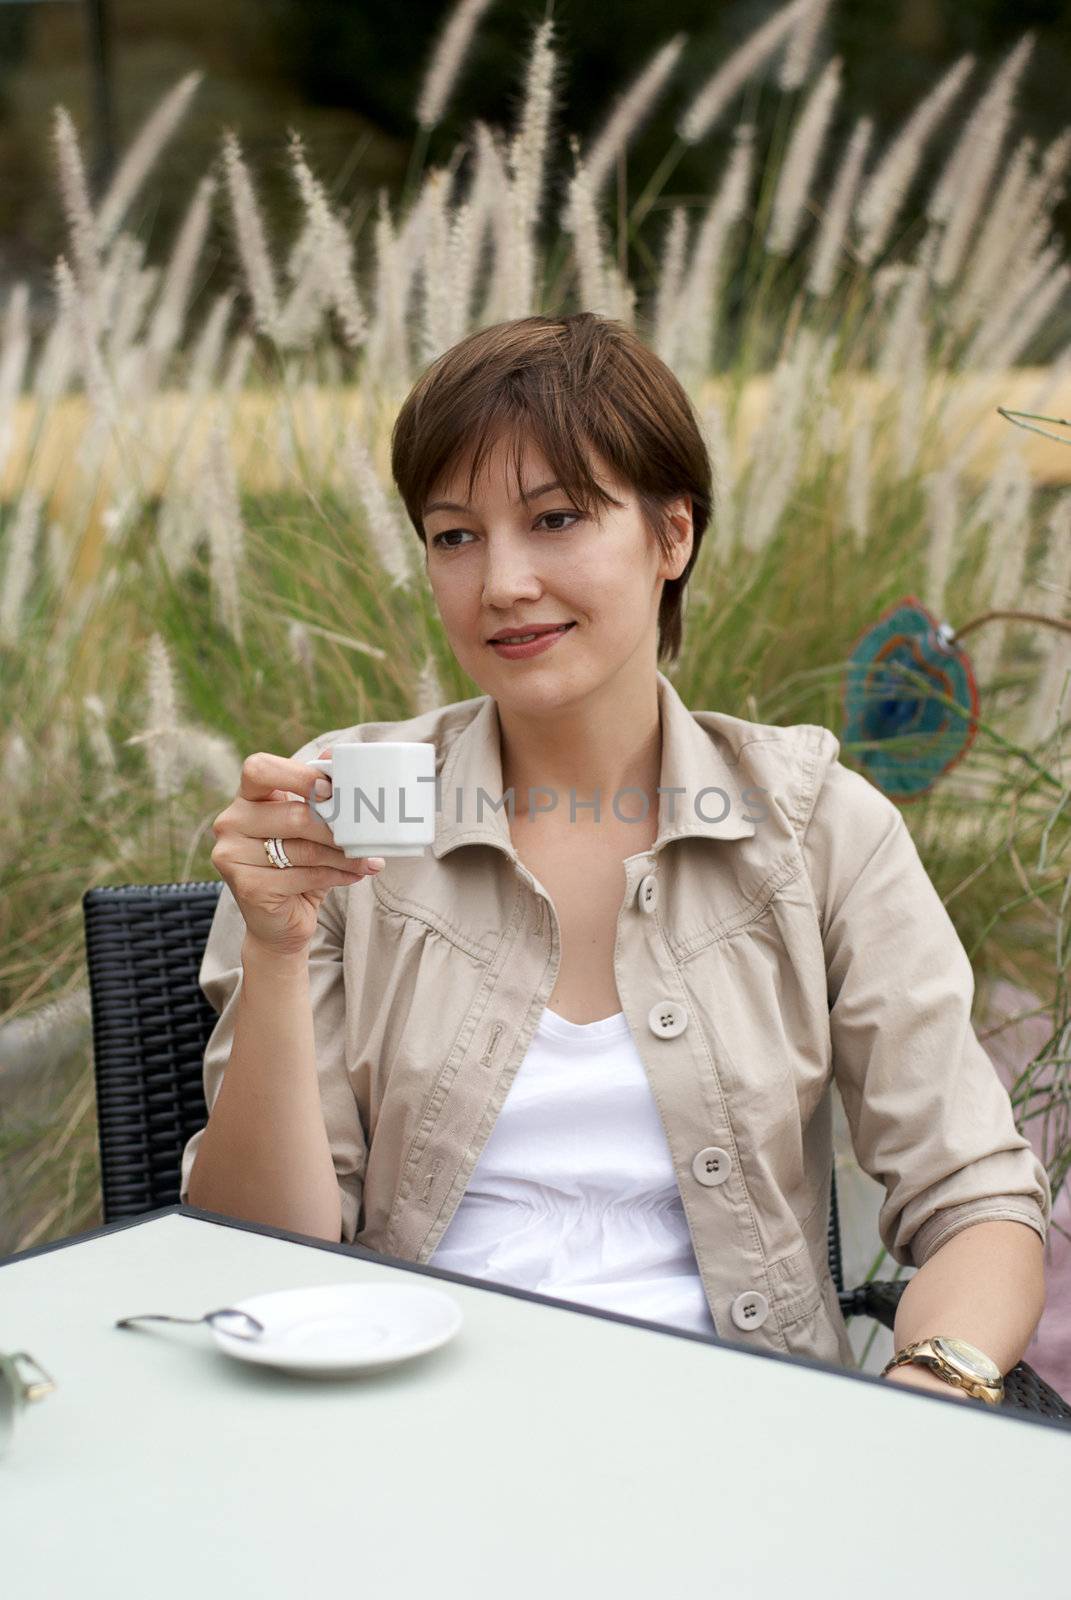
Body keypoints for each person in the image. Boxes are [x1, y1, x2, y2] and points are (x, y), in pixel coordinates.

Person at [181, 311, 1050, 1379]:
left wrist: (928, 1388)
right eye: (455, 535)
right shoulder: (344, 812)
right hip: (408, 1423)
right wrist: (273, 950)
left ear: (672, 535)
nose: (501, 581)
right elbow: (265, 1259)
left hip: (741, 1434)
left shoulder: (814, 826)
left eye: (555, 519)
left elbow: (978, 1202)